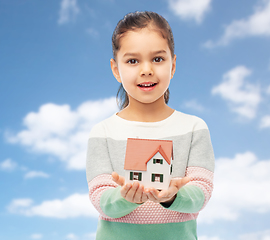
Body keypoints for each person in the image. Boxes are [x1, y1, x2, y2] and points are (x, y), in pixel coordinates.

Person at [86, 11, 215, 240]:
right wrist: (124, 197)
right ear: (116, 69)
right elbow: (100, 199)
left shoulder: (194, 128)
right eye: (133, 61)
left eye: (157, 59)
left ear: (173, 65)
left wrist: (173, 197)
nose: (146, 69)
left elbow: (202, 191)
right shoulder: (103, 133)